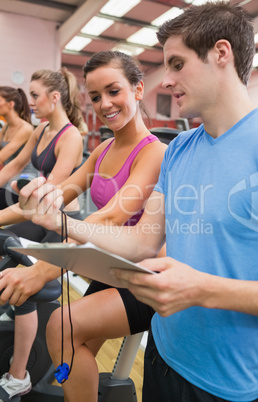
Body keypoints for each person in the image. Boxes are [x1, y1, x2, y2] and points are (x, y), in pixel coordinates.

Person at [13, 2, 258, 401]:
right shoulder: (180, 148)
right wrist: (61, 225)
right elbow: (143, 243)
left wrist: (202, 290)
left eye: (177, 65)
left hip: (227, 382)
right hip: (165, 356)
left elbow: (117, 216)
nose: (166, 81)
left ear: (222, 53)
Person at [0, 51, 167, 401]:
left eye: (113, 91)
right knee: (70, 355)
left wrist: (41, 272)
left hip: (143, 277)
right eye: (95, 96)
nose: (104, 103)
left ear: (138, 90)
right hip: (109, 271)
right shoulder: (103, 149)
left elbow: (106, 219)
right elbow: (53, 197)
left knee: (61, 330)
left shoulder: (154, 152)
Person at [0, 68, 84, 400]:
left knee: (25, 282)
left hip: (57, 222)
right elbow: (14, 164)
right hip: (38, 212)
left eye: (35, 95)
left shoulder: (72, 137)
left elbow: (46, 199)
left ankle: (18, 375)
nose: (30, 101)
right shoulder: (42, 130)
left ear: (55, 97)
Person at [0, 86, 34, 209]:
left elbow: (1, 157)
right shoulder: (6, 127)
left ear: (10, 104)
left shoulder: (25, 129)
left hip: (21, 184)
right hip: (6, 181)